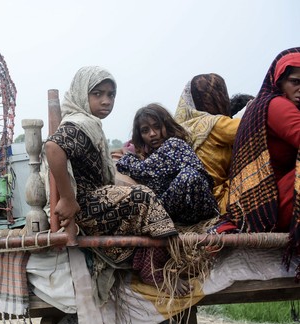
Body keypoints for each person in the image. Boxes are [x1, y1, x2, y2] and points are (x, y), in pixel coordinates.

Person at [43, 66, 191, 295]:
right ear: (82, 93)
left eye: (111, 95)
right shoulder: (78, 123)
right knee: (143, 198)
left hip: (91, 201)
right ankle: (158, 269)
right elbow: (53, 148)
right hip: (83, 207)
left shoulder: (87, 122)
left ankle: (147, 260)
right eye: (98, 94)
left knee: (143, 194)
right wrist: (68, 199)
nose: (106, 101)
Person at [227, 47, 300, 281]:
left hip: (255, 206)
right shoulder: (278, 106)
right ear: (279, 82)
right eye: (295, 82)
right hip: (267, 209)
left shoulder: (263, 103)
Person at [116, 103, 218, 225]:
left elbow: (141, 170)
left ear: (166, 126)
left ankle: (156, 221)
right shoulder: (150, 155)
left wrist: (126, 156)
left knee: (189, 175)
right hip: (178, 213)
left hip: (199, 207)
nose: (152, 134)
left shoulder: (174, 145)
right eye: (145, 130)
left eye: (157, 127)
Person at [174, 73, 241, 215]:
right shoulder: (215, 124)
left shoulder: (183, 126)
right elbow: (255, 126)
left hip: (192, 204)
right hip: (219, 200)